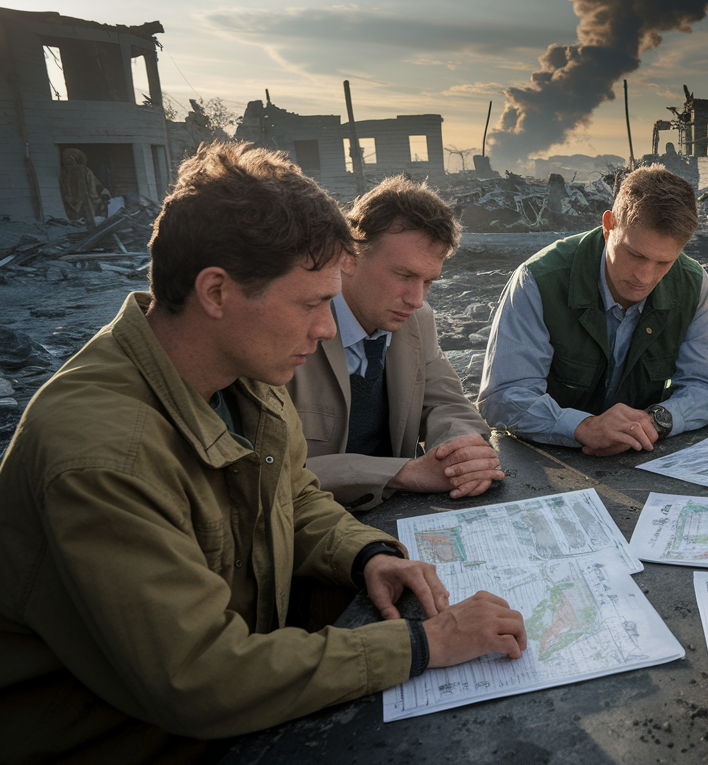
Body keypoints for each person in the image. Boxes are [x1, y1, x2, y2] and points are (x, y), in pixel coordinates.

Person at [0, 143, 526, 763]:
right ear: (216, 292)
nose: (329, 329)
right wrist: (422, 645)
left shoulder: (242, 374)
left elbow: (290, 493)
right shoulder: (103, 455)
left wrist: (367, 555)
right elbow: (201, 678)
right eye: (310, 304)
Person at [479, 165, 708, 456]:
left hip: (640, 454)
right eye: (634, 254)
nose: (645, 276)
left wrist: (654, 422)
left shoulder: (693, 285)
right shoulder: (538, 280)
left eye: (663, 263)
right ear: (608, 225)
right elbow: (504, 396)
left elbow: (707, 388)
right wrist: (582, 427)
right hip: (548, 459)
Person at [288, 176, 502, 509]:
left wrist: (460, 451)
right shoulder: (292, 328)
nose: (417, 299)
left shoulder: (417, 320)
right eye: (404, 276)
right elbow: (272, 472)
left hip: (397, 517)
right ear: (349, 257)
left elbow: (447, 401)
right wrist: (403, 472)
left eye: (428, 281)